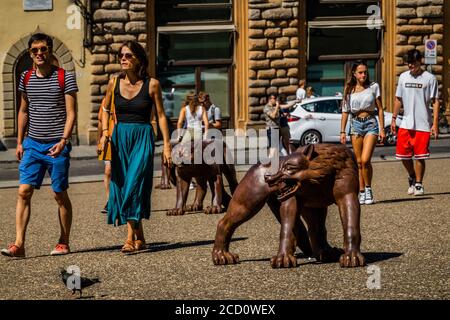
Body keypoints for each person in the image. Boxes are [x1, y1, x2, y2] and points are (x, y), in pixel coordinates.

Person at [1, 33, 78, 257]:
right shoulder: (25, 78)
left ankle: (64, 241)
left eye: (43, 49)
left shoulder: (65, 77)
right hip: (32, 145)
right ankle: (19, 245)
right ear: (30, 53)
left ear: (50, 50)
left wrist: (64, 141)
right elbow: (23, 111)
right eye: (34, 50)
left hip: (57, 145)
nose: (39, 54)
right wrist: (19, 142)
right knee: (23, 191)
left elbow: (72, 113)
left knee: (59, 194)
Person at [98, 41, 172, 253]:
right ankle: (141, 237)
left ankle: (130, 239)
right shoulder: (114, 83)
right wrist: (104, 134)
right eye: (121, 55)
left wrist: (167, 146)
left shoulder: (152, 84)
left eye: (129, 55)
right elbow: (105, 109)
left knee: (134, 184)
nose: (123, 59)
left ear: (138, 59)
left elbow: (160, 115)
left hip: (142, 136)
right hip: (120, 137)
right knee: (121, 185)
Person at [391, 49, 439, 196]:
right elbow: (398, 99)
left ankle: (418, 183)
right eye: (408, 63)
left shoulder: (430, 78)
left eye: (413, 63)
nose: (410, 66)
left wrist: (435, 123)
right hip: (405, 123)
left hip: (423, 124)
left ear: (420, 61)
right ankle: (412, 175)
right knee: (403, 156)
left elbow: (435, 102)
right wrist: (393, 118)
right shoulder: (404, 77)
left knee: (420, 156)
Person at [340, 60, 385, 205]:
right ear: (354, 74)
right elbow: (345, 112)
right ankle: (361, 192)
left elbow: (380, 109)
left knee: (365, 160)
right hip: (355, 125)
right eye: (360, 72)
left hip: (371, 123)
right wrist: (342, 131)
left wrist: (383, 129)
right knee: (358, 162)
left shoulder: (373, 86)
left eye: (365, 72)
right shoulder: (349, 89)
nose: (363, 74)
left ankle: (368, 188)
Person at [97, 99, 112, 214]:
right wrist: (99, 140)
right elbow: (100, 122)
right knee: (108, 171)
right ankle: (109, 200)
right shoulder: (105, 101)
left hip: (122, 138)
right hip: (108, 140)